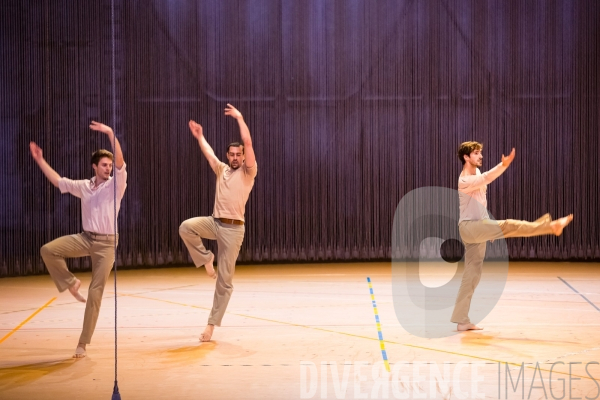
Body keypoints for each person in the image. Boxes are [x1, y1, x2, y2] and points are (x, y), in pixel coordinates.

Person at [451, 141, 573, 331]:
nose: (480, 156)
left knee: (472, 275)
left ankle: (462, 321)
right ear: (466, 157)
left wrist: (489, 230)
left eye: (480, 152)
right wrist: (504, 165)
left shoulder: (474, 174)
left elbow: (479, 204)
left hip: (479, 227)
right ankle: (550, 226)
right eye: (476, 153)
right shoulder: (465, 180)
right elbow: (487, 178)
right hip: (469, 227)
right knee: (509, 225)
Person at [30, 121, 127, 357]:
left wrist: (110, 133)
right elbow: (58, 182)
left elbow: (122, 163)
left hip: (106, 244)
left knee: (96, 292)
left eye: (110, 165)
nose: (108, 169)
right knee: (48, 250)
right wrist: (40, 160)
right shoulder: (84, 186)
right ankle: (70, 282)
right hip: (86, 238)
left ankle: (82, 343)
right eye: (104, 165)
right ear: (95, 167)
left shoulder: (116, 184)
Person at [179, 104, 257, 342]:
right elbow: (209, 154)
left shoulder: (248, 172)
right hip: (215, 223)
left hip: (234, 230)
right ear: (228, 156)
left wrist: (240, 118)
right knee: (186, 227)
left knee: (224, 280)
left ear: (242, 156)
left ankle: (211, 325)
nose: (234, 157)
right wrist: (200, 136)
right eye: (231, 154)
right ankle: (206, 259)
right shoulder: (222, 169)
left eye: (238, 154)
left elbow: (248, 141)